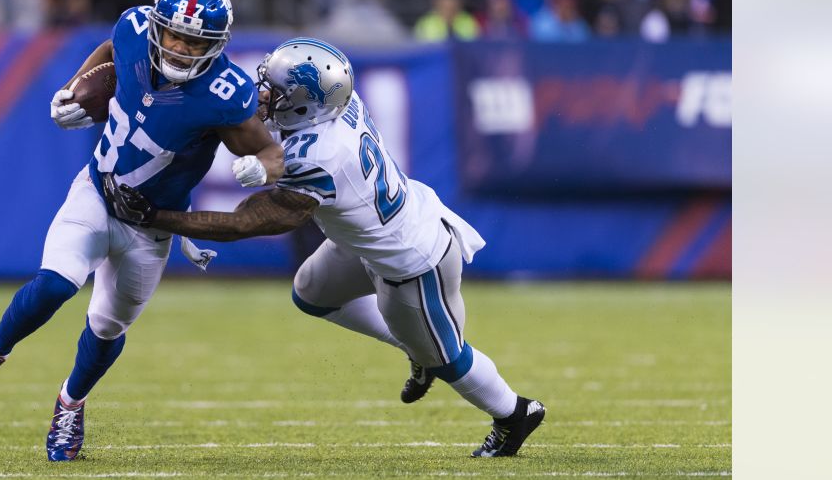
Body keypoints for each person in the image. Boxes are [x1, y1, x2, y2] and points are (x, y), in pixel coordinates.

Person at [103, 38, 546, 458]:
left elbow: (244, 222)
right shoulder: (340, 104)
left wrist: (157, 216)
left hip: (412, 260)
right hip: (371, 236)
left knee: (450, 359)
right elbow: (281, 146)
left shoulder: (318, 156)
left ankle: (515, 413)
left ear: (303, 104)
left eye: (275, 91)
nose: (262, 94)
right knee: (311, 293)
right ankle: (415, 348)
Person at [0, 0, 284, 461]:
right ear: (157, 27)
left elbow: (271, 151)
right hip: (97, 192)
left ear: (217, 46)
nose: (180, 47)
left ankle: (70, 403)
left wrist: (257, 168)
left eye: (195, 41)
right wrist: (74, 88)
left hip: (154, 223)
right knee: (57, 283)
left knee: (106, 327)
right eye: (174, 35)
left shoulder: (226, 93)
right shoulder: (135, 28)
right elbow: (109, 50)